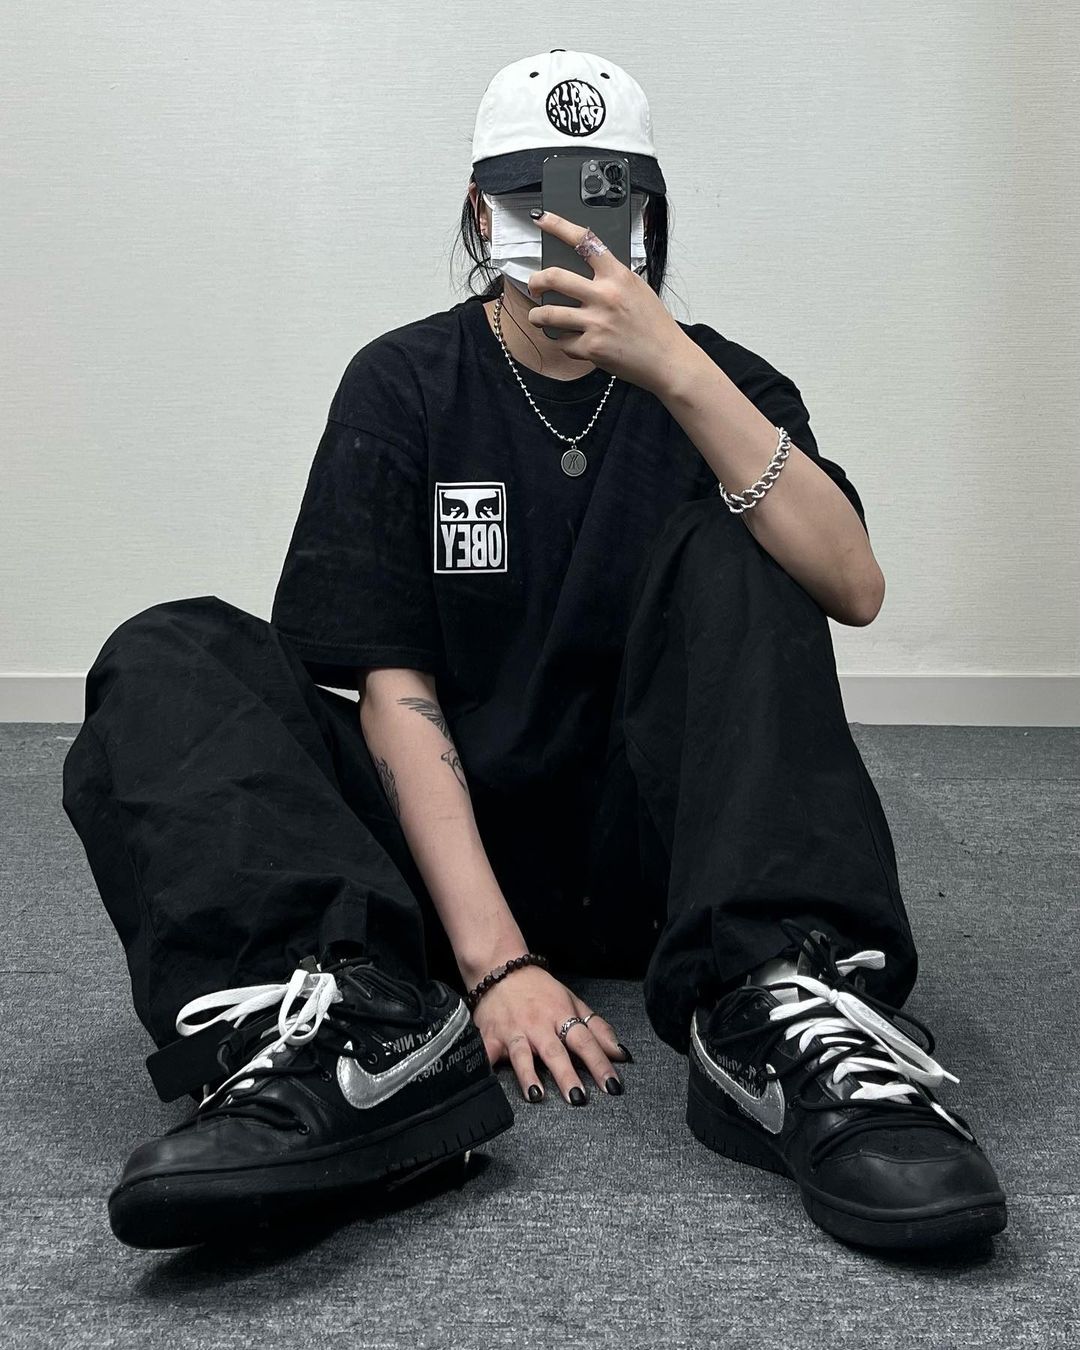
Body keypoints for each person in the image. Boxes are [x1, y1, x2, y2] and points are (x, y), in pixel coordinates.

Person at [61, 48, 1007, 1254]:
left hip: (676, 861)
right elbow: (392, 690)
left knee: (745, 538)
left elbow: (853, 586)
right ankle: (346, 1042)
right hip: (437, 864)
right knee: (169, 651)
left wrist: (675, 367)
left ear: (650, 213)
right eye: (530, 200)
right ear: (477, 211)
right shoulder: (405, 382)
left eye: (602, 199)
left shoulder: (721, 384)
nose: (566, 230)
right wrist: (496, 962)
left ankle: (784, 1006)